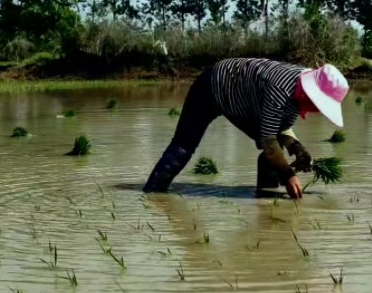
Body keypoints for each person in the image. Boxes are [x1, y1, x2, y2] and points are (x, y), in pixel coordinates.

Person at [142, 57, 349, 199]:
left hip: (242, 98)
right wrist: (288, 175)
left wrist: (298, 148)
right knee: (184, 144)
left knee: (272, 152)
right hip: (212, 86)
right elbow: (269, 141)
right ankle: (153, 193)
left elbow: (281, 128)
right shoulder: (281, 90)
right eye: (319, 105)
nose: (317, 111)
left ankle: (266, 197)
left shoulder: (298, 89)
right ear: (310, 94)